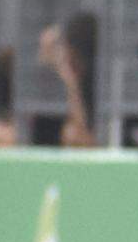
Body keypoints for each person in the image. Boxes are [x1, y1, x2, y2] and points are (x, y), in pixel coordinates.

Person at [40, 12, 98, 147]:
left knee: (72, 134)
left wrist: (71, 85)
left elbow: (84, 137)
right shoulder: (52, 76)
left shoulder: (95, 80)